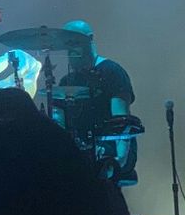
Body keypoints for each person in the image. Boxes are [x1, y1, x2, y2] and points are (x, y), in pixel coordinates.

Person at [57, 19, 138, 185]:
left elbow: (121, 121)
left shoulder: (111, 71)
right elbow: (59, 124)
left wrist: (119, 159)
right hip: (80, 150)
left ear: (90, 39)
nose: (71, 49)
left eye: (75, 41)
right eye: (67, 44)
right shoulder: (67, 81)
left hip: (110, 146)